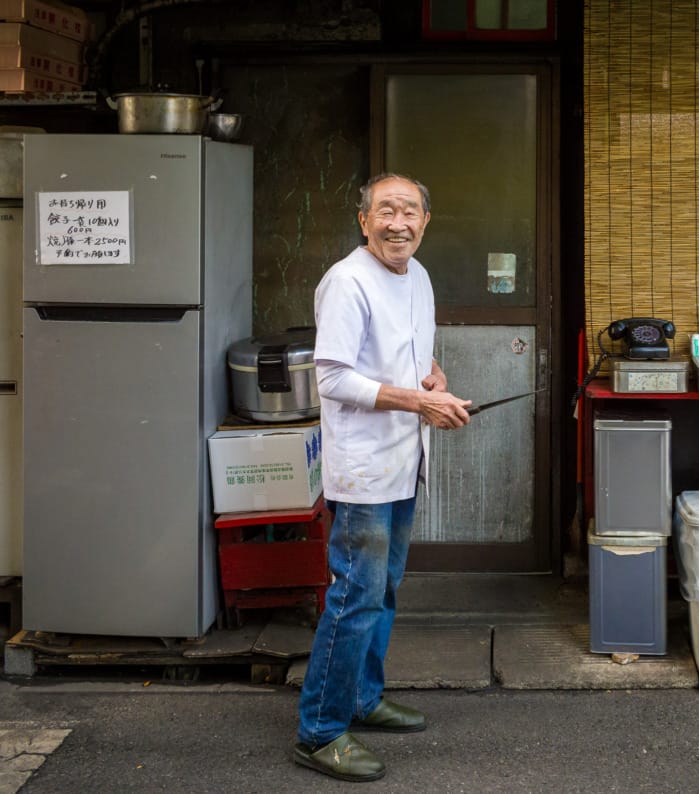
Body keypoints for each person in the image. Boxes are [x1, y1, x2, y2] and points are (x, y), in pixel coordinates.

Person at [293, 173, 473, 782]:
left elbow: (412, 353)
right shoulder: (347, 281)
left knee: (384, 589)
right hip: (366, 469)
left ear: (426, 219)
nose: (399, 222)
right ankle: (319, 730)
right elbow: (335, 379)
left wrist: (433, 381)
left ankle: (363, 697)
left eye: (410, 211)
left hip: (404, 459)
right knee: (354, 596)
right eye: (386, 211)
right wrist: (419, 404)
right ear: (363, 220)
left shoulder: (416, 276)